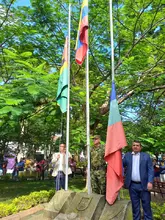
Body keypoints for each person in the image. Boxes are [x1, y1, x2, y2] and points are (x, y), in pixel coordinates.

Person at [123, 140, 154, 220]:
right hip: (132, 185)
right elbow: (120, 165)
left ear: (140, 147)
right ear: (132, 147)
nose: (135, 146)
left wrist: (150, 182)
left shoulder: (146, 156)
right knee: (135, 206)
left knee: (146, 206)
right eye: (134, 145)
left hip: (144, 185)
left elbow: (150, 169)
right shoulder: (127, 155)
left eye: (137, 145)